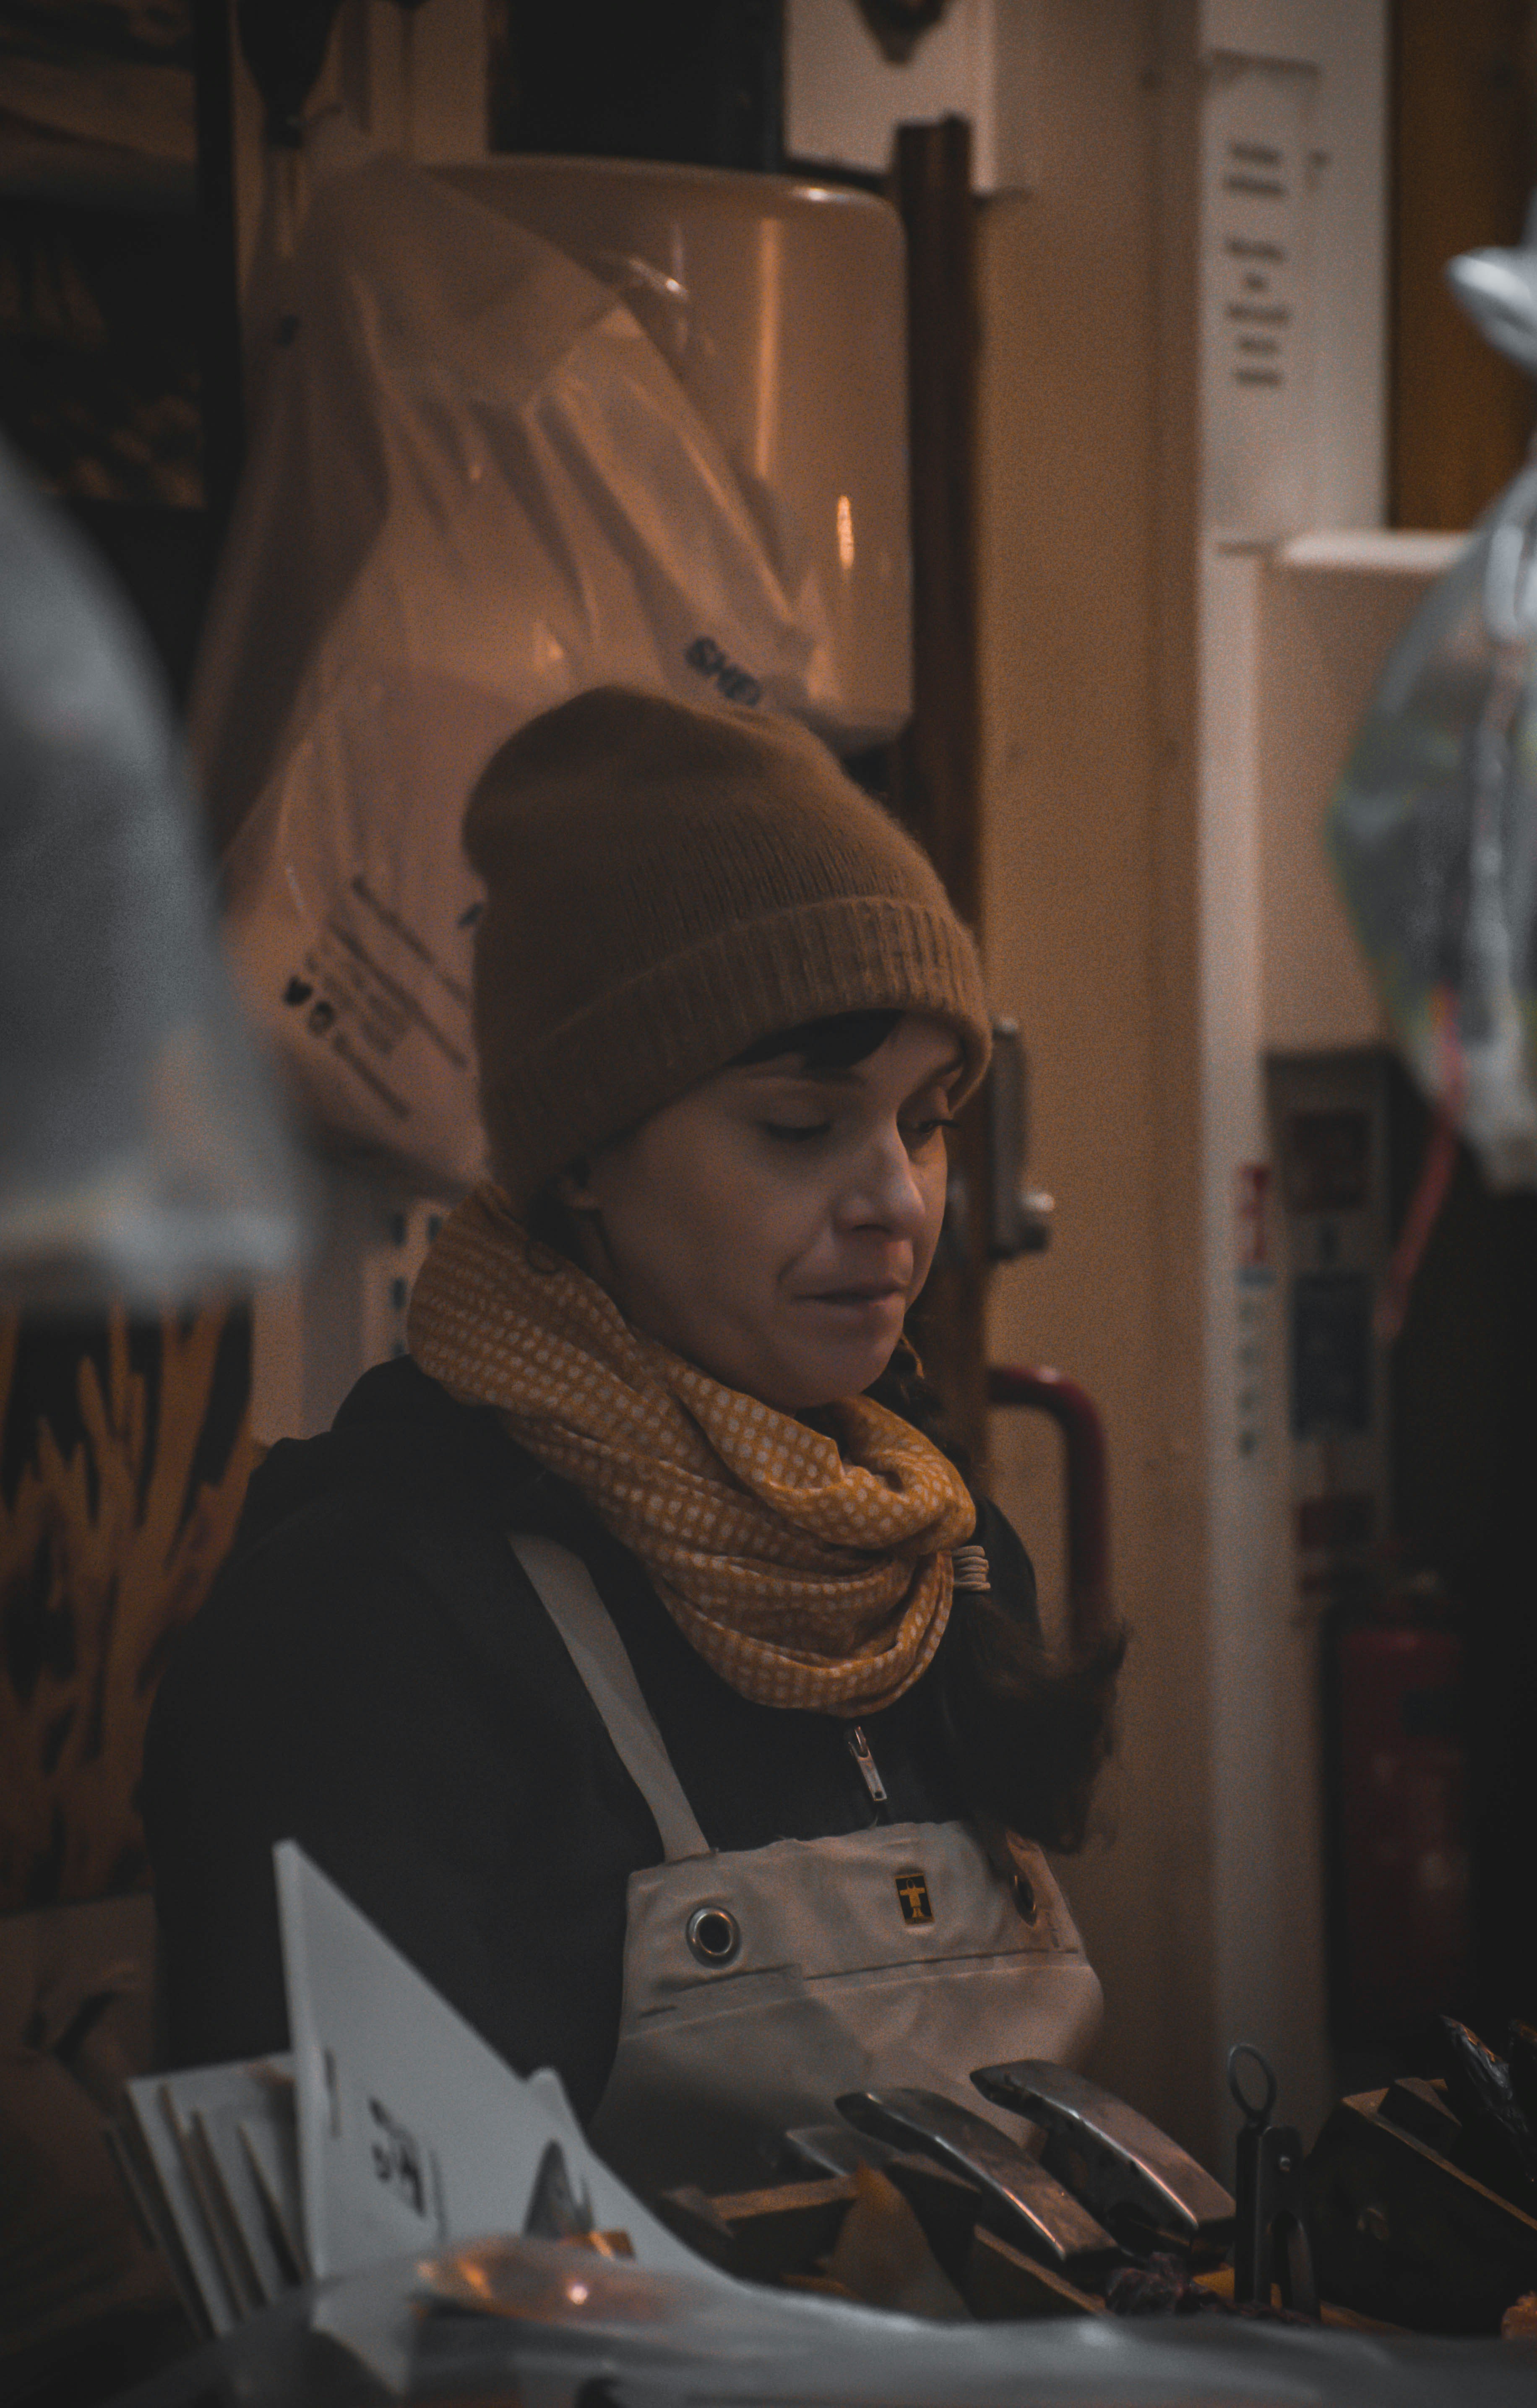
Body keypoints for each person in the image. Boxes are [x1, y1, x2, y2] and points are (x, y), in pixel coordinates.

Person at [143, 687, 1123, 2196]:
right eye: (802, 1126)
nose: (902, 1202)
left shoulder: (940, 1556)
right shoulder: (373, 1626)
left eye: (925, 1121)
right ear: (588, 1154)